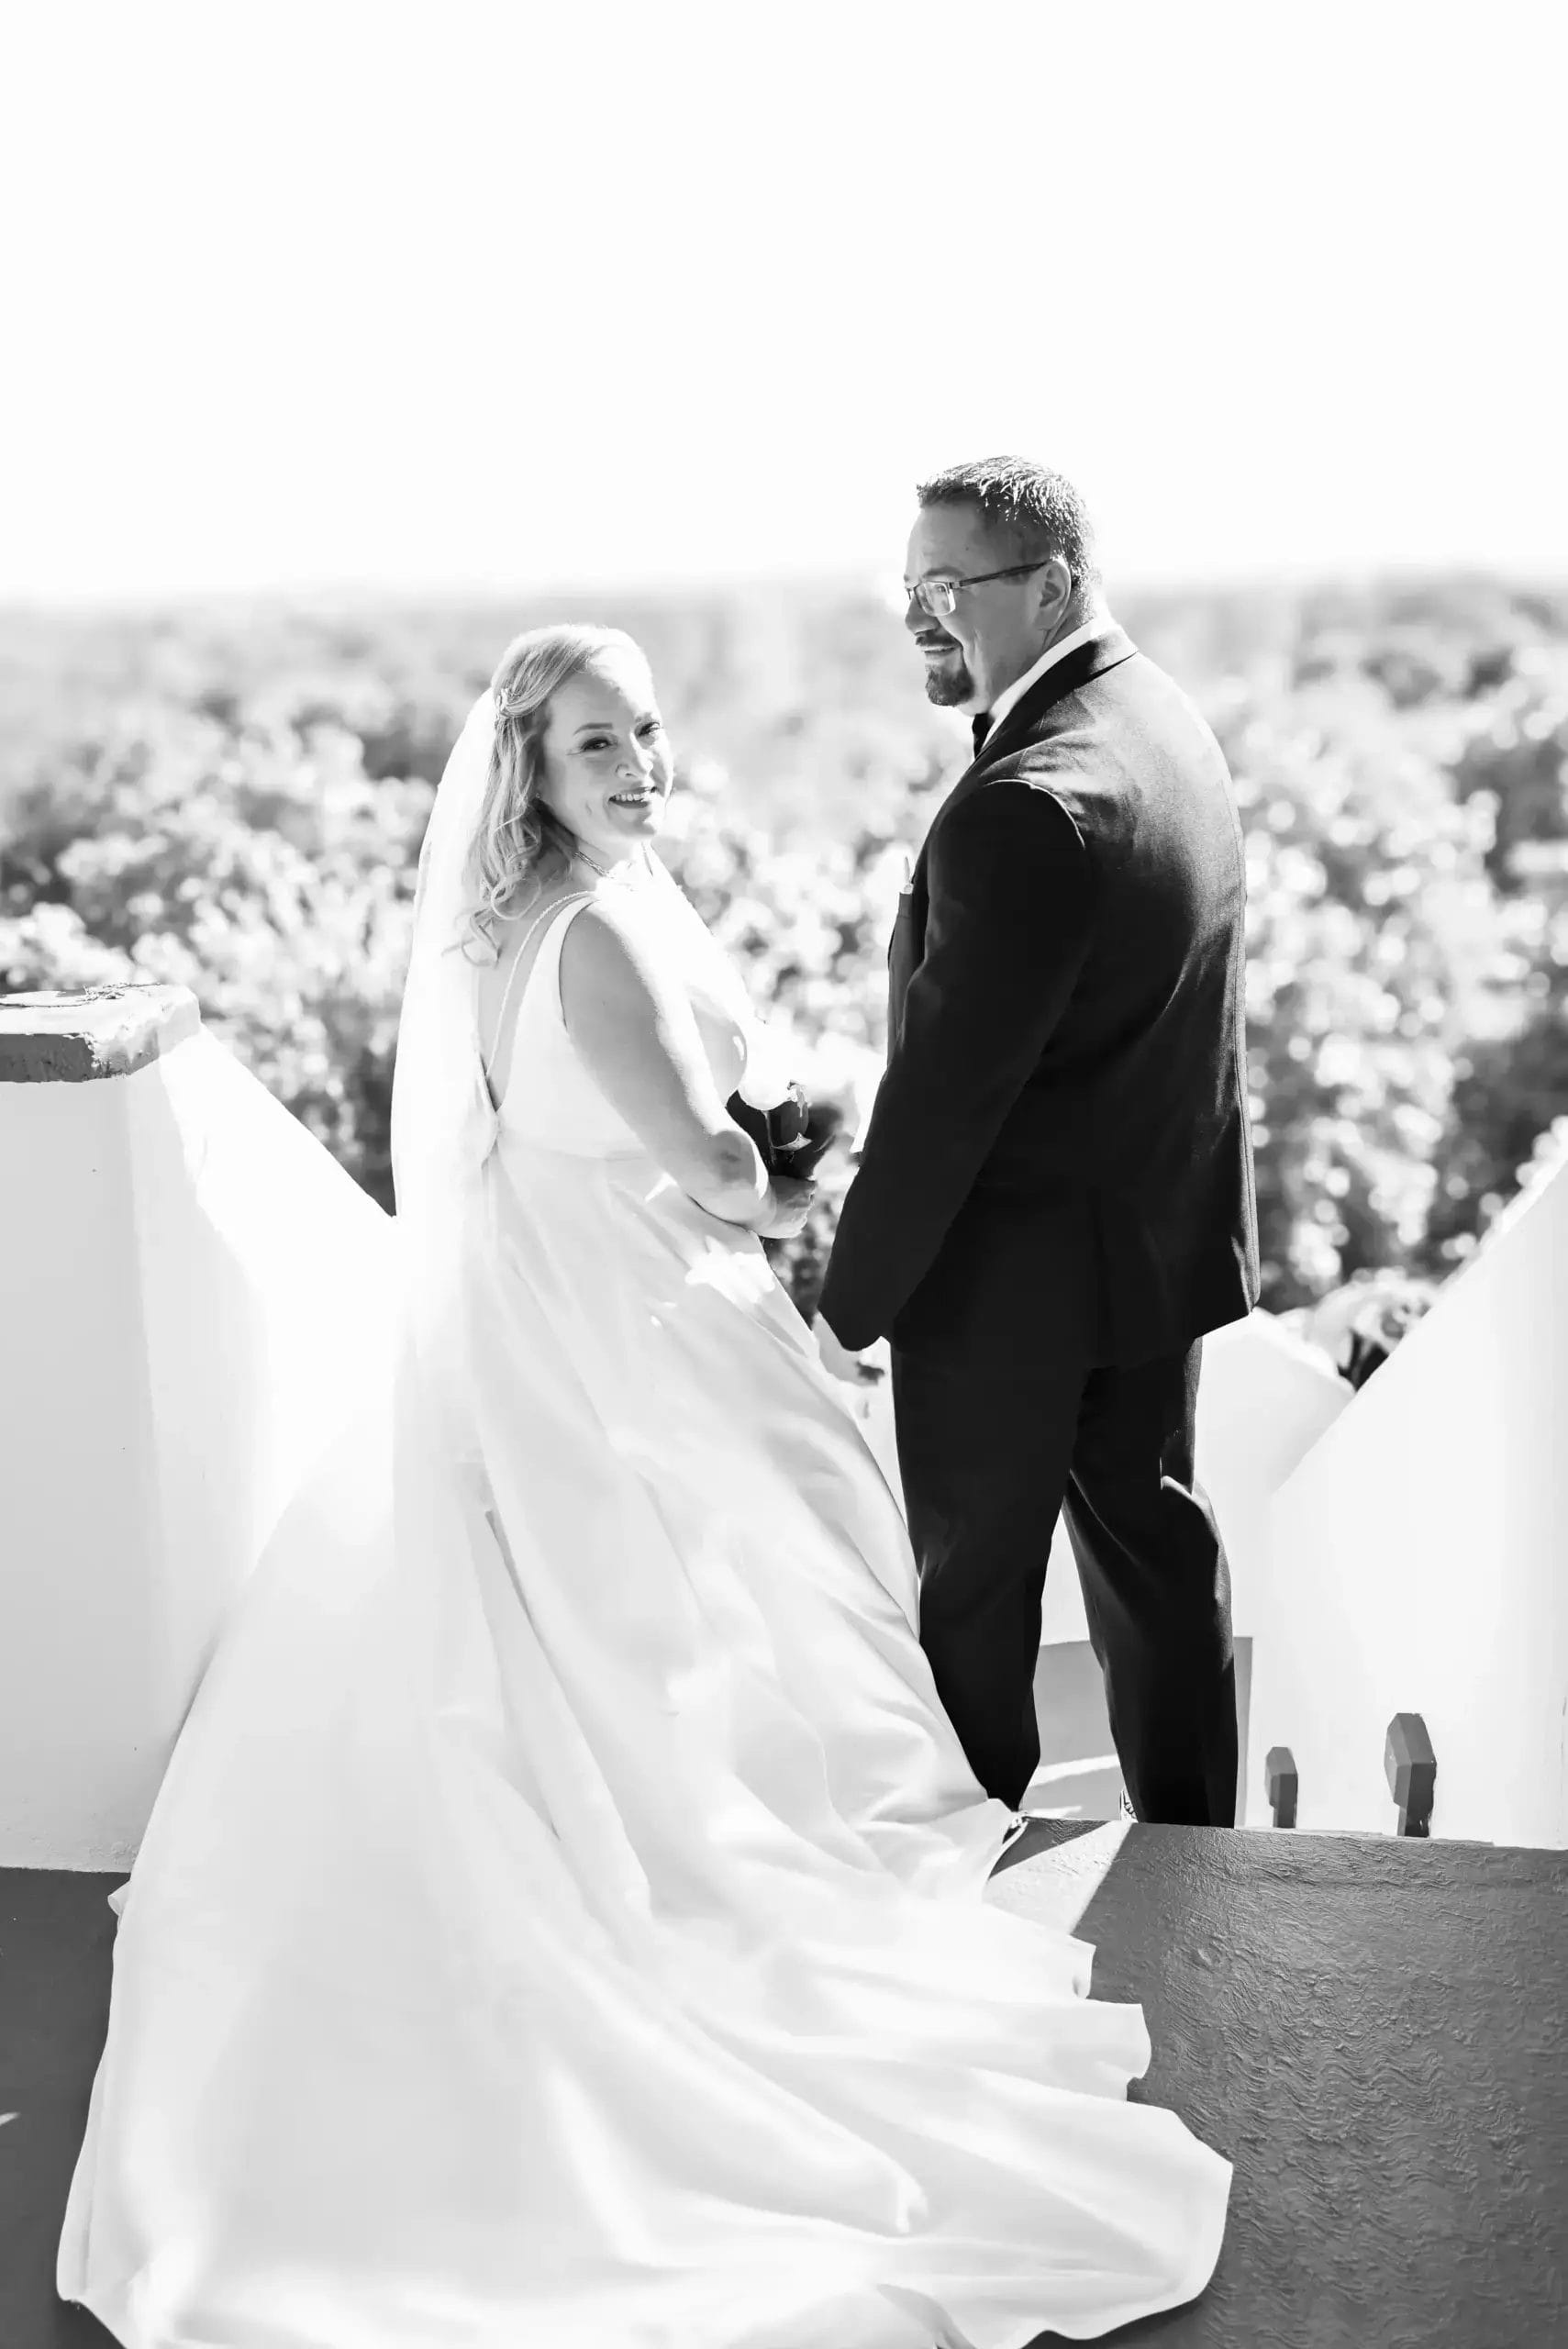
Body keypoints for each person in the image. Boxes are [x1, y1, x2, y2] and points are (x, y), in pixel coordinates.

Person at [59, 625, 1231, 2347]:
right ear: (527, 769)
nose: (639, 766)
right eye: (597, 744)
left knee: (615, 1620)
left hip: (556, 1288)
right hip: (627, 1316)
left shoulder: (520, 913)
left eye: (650, 734)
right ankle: (684, 1885)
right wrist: (794, 1161)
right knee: (684, 1610)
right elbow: (707, 1166)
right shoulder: (599, 926)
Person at [817, 458, 1260, 1829]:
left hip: (1007, 1292)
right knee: (1152, 1555)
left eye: (946, 589)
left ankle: (968, 1894)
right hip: (1147, 1252)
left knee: (971, 1605)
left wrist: (850, 1303)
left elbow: (948, 1099)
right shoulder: (1159, 718)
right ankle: (1198, 1854)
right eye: (908, 591)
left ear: (1052, 583)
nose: (918, 620)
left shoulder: (1026, 801)